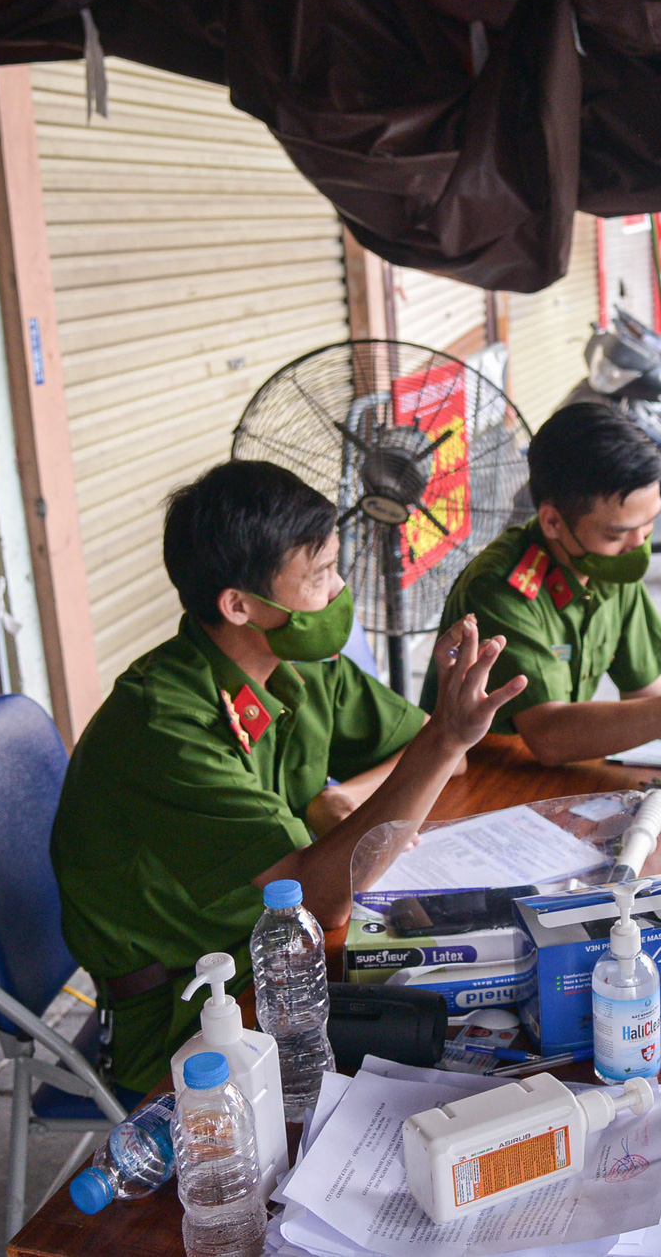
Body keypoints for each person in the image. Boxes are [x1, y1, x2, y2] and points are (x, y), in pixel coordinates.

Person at [53, 460, 524, 1096]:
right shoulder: (163, 723)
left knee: (498, 991)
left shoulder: (297, 665)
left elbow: (438, 757)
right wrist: (443, 739)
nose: (337, 594)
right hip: (195, 1010)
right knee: (447, 1072)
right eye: (320, 575)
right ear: (240, 605)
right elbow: (319, 895)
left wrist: (350, 796)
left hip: (284, 956)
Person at [425, 402, 661, 770]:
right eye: (617, 533)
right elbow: (548, 735)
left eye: (649, 524)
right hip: (477, 778)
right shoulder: (500, 589)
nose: (638, 544)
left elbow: (647, 693)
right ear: (551, 521)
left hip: (551, 776)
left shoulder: (609, 564)